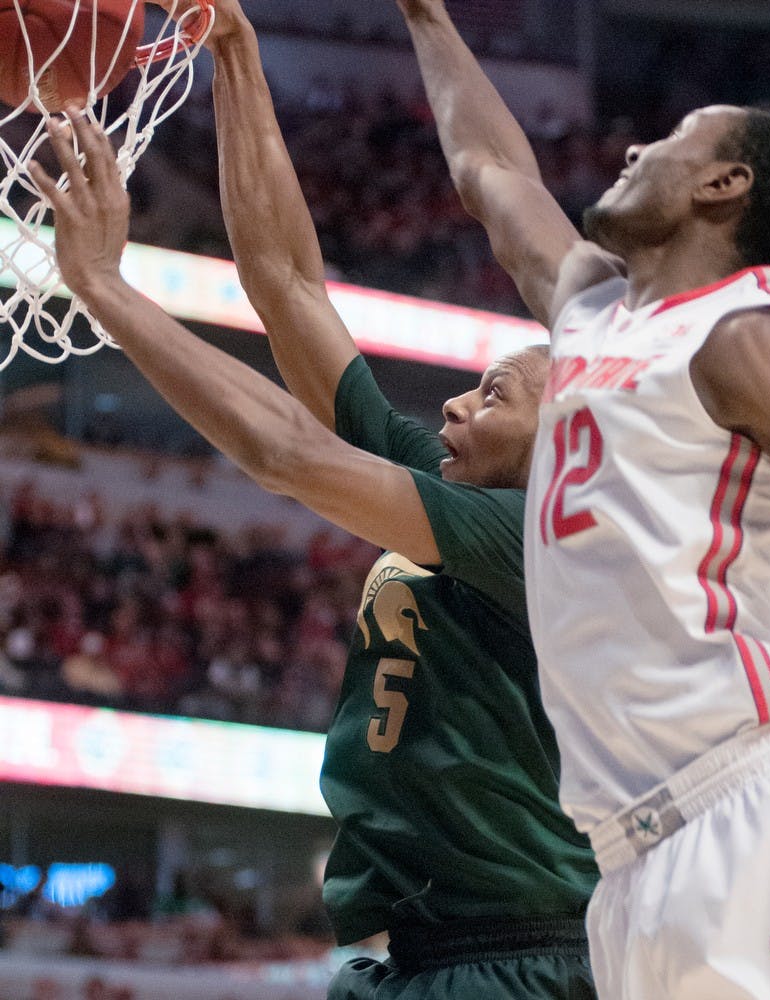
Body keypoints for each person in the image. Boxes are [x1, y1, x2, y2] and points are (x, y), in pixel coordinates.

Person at [30, 12, 600, 1000]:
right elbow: (288, 286)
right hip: (429, 956)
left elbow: (283, 452)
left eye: (495, 393)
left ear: (563, 445)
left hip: (515, 960)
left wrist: (106, 289)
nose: (457, 402)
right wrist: (235, 49)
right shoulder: (456, 493)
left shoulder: (542, 539)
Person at [395, 1, 770, 997]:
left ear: (723, 183)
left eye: (672, 140)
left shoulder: (749, 340)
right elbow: (486, 174)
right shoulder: (589, 311)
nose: (632, 144)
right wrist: (424, 14)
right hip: (626, 865)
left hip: (755, 808)